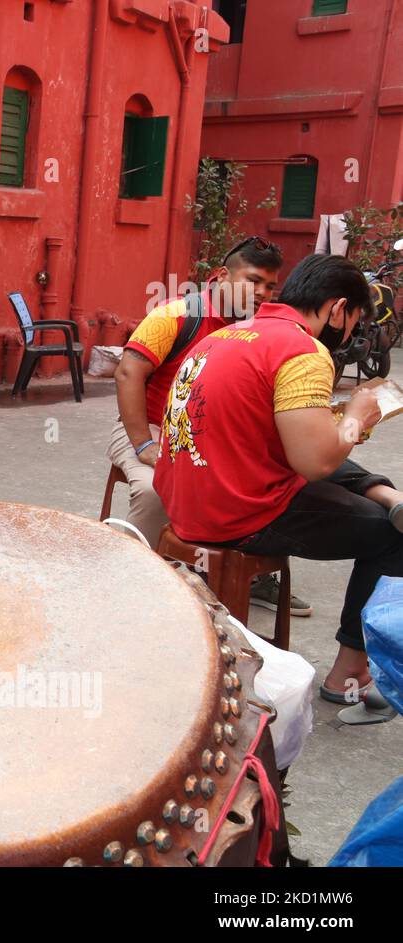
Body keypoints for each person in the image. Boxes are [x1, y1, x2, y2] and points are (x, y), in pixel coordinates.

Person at [154, 253, 403, 705]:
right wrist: (355, 416)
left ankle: (387, 493)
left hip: (187, 496)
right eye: (353, 321)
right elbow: (315, 463)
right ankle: (351, 672)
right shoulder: (304, 350)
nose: (350, 333)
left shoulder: (228, 335)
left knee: (345, 470)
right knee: (391, 537)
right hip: (236, 512)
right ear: (337, 308)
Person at [109, 237, 309, 615]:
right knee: (157, 490)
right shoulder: (175, 315)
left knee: (276, 481)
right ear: (221, 276)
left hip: (212, 435)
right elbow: (127, 373)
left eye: (270, 286)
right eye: (253, 281)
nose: (262, 293)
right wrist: (142, 445)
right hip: (150, 427)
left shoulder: (262, 329)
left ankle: (252, 576)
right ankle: (127, 575)